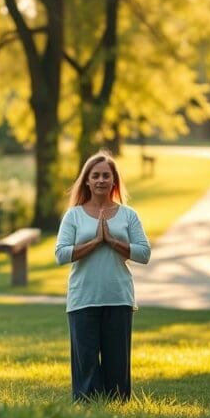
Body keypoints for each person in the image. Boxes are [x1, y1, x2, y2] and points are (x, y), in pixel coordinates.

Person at [55, 150, 151, 402]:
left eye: (106, 175)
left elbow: (144, 253)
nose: (100, 180)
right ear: (86, 180)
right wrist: (96, 242)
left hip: (118, 297)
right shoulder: (73, 215)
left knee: (117, 367)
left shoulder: (128, 215)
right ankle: (88, 410)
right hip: (83, 298)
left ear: (114, 180)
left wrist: (112, 240)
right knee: (86, 365)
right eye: (95, 175)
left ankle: (118, 410)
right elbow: (61, 254)